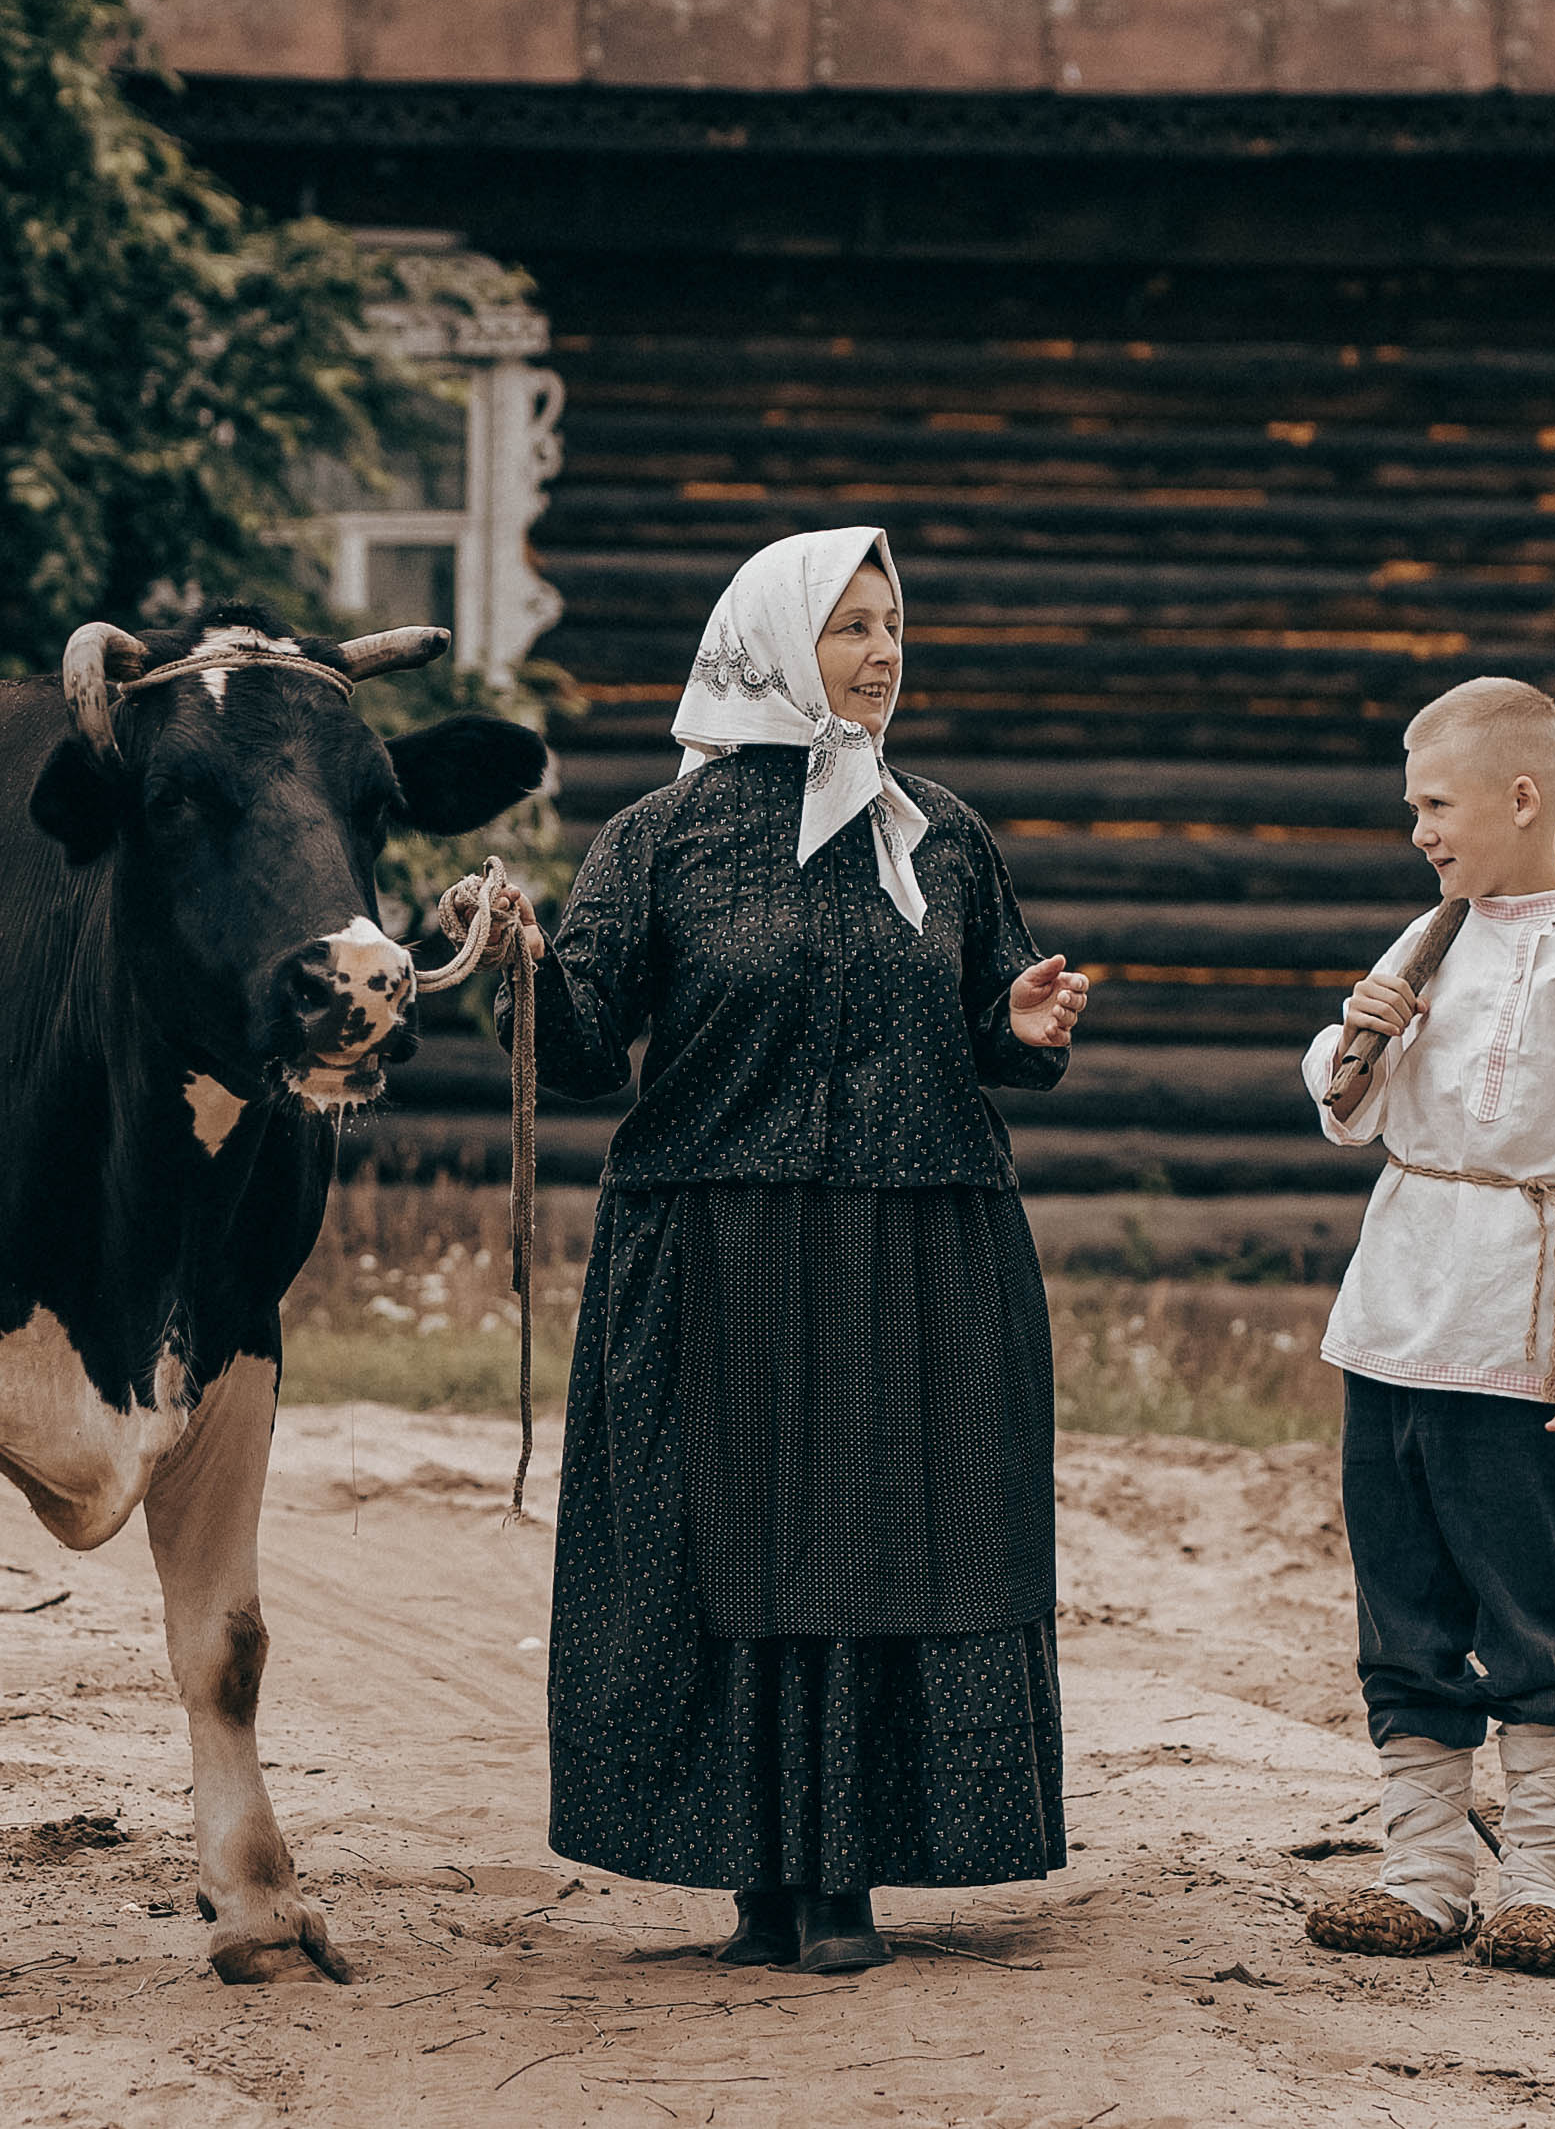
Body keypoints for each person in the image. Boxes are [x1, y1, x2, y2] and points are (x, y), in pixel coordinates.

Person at [460, 528, 1095, 1977]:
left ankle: (848, 1874)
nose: (881, 654)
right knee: (723, 1551)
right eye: (849, 627)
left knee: (893, 1546)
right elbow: (573, 1051)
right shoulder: (657, 841)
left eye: (894, 627)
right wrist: (515, 962)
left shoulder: (941, 830)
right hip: (712, 1240)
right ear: (770, 641)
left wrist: (1026, 1025)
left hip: (920, 1239)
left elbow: (987, 1021)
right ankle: (755, 1878)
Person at [1291, 679, 1555, 1973]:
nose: (1419, 831)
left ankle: (1548, 1880)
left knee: (1529, 1593)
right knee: (1401, 1590)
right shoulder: (1433, 936)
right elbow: (1350, 1106)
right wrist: (1357, 1041)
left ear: (1522, 799)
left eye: (1434, 804)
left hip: (1515, 1325)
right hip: (1394, 1306)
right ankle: (1423, 1872)